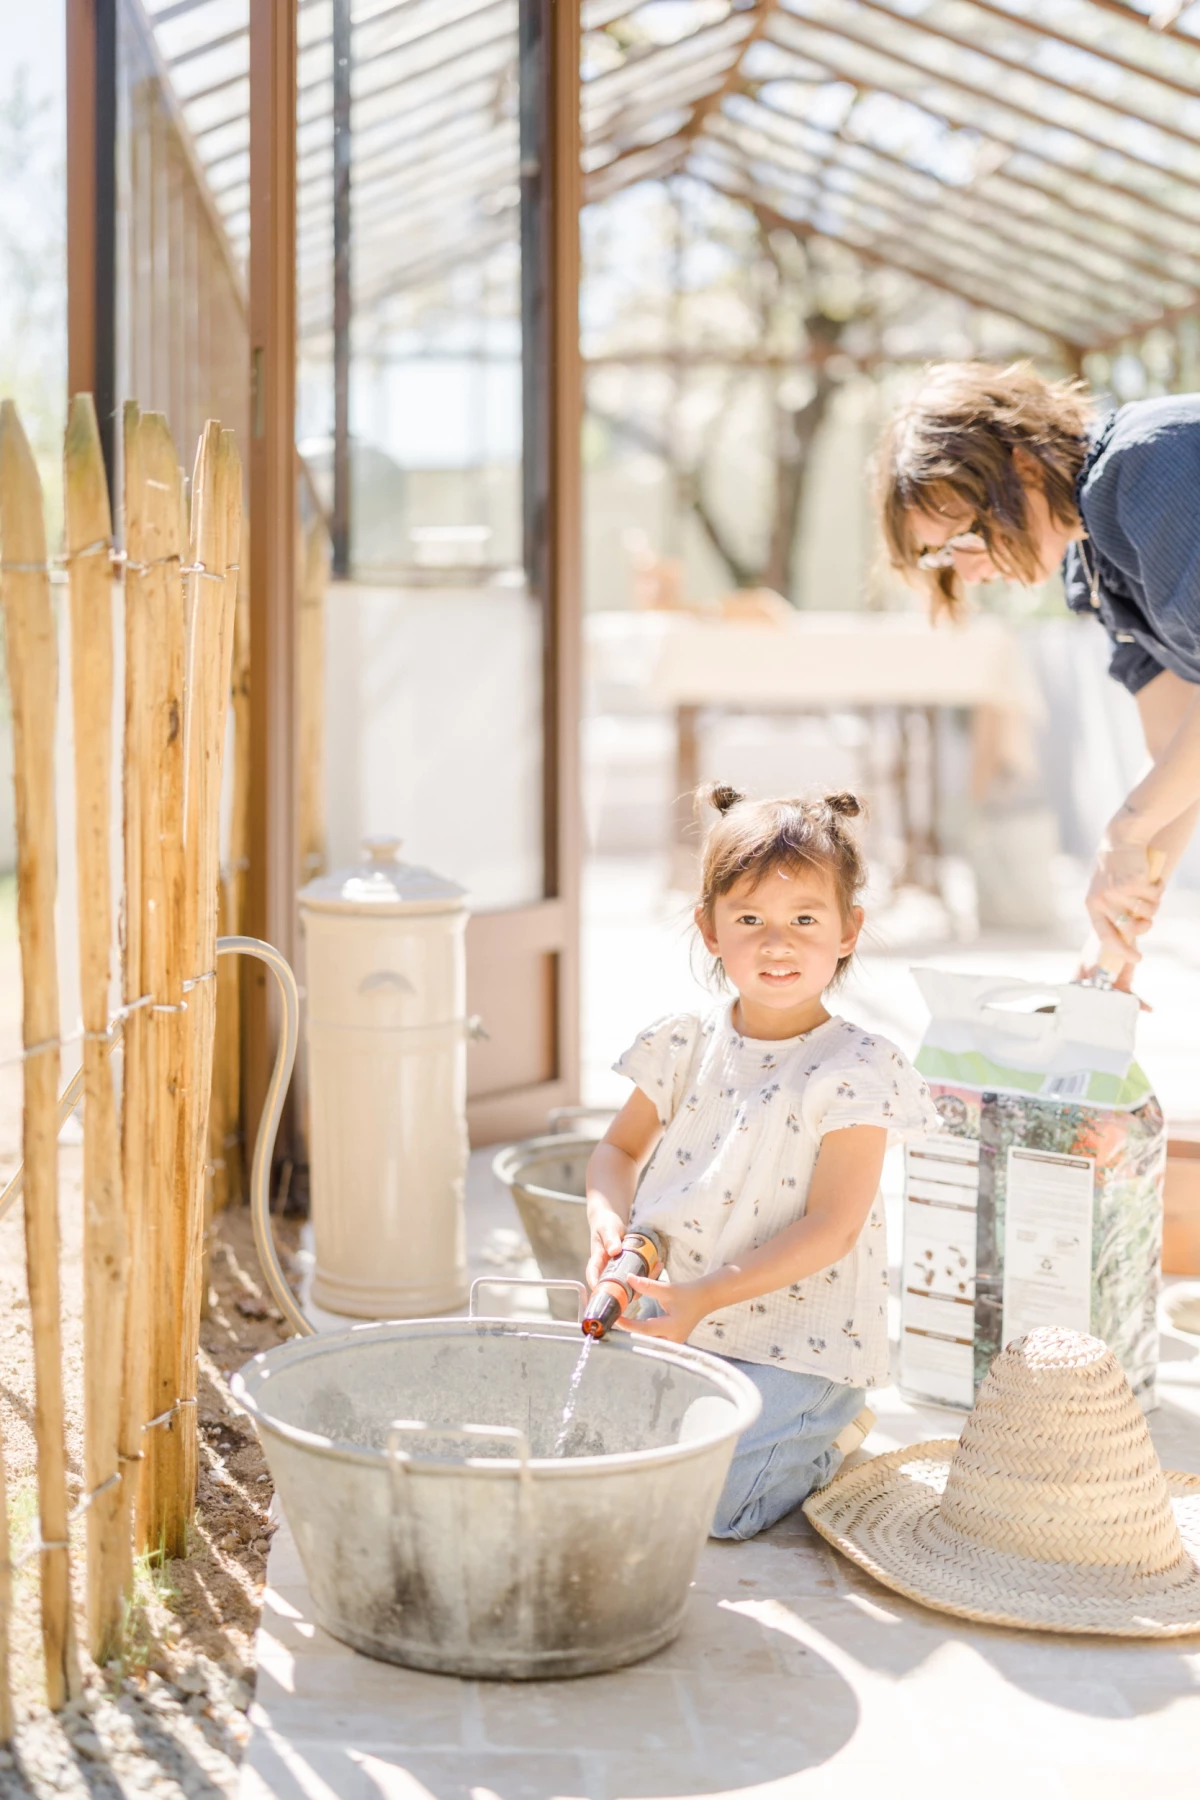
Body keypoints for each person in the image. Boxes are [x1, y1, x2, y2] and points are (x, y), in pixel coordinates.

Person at [584, 785, 939, 1540]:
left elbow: (833, 1226)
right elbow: (616, 1151)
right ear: (710, 929)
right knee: (595, 1443)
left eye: (804, 919)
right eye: (750, 919)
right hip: (680, 1310)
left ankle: (828, 1427)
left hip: (796, 1339)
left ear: (848, 930)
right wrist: (608, 1225)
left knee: (714, 1509)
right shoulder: (684, 1041)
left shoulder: (854, 1068)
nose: (777, 943)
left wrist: (708, 1295)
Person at [874, 360, 1200, 982]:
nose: (966, 574)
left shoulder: (1145, 467)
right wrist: (1110, 949)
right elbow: (1175, 744)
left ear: (1020, 464)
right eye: (941, 559)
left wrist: (1125, 830)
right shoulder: (1094, 560)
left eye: (961, 539)